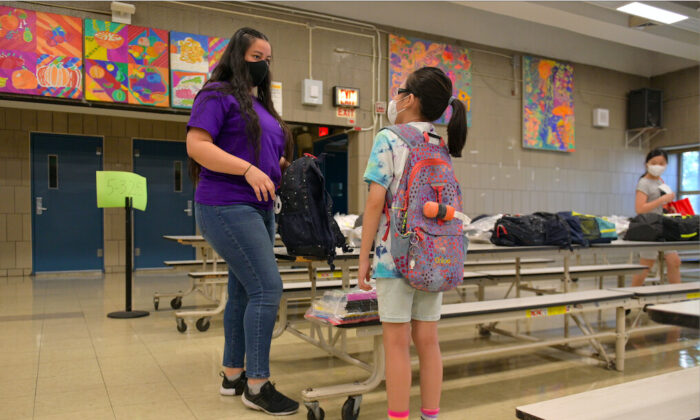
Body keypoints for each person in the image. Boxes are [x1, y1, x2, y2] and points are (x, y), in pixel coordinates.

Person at [186, 27, 299, 416]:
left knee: (243, 292)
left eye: (268, 58)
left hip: (260, 207)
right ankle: (257, 384)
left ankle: (233, 375)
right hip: (226, 203)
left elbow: (266, 154)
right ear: (237, 56)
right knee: (268, 288)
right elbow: (198, 146)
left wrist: (283, 166)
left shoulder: (260, 107)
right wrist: (250, 170)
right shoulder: (215, 95)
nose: (263, 65)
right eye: (256, 57)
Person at [358, 67, 468, 420]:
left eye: (400, 90)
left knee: (396, 344)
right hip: (436, 256)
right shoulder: (439, 143)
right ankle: (430, 416)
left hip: (396, 258)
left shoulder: (389, 138)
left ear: (411, 99)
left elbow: (375, 202)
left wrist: (364, 259)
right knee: (429, 341)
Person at [630, 148, 681, 287]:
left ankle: (677, 295)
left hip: (662, 225)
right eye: (654, 162)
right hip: (648, 227)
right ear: (647, 163)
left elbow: (659, 205)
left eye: (661, 163)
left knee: (674, 261)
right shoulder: (643, 183)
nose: (658, 166)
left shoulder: (660, 182)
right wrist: (661, 200)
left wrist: (668, 206)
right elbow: (640, 208)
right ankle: (632, 294)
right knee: (646, 265)